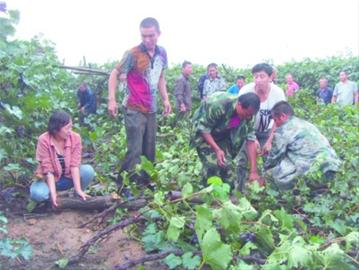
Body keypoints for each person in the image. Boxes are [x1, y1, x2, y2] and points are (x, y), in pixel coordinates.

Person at [108, 17, 171, 188]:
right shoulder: (132, 53)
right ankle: (124, 184)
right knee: (135, 149)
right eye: (143, 36)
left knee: (149, 148)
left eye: (151, 36)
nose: (147, 40)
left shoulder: (162, 53)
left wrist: (165, 99)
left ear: (159, 33)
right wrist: (112, 100)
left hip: (151, 108)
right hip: (134, 107)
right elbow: (114, 74)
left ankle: (145, 181)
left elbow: (161, 77)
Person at [190, 92, 261, 189]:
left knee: (227, 167)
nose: (248, 117)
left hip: (223, 134)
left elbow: (250, 140)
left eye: (250, 115)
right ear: (239, 105)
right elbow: (204, 128)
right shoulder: (218, 105)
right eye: (246, 114)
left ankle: (227, 196)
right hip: (204, 134)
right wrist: (217, 150)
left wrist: (253, 171)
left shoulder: (248, 115)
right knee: (212, 165)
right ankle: (206, 193)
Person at [264, 101, 341, 190]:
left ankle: (291, 196)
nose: (276, 124)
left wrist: (263, 172)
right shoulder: (306, 123)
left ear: (283, 116)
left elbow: (274, 158)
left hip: (313, 170)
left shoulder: (283, 130)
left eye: (275, 120)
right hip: (334, 166)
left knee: (270, 174)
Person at [30, 111, 95, 207]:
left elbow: (74, 166)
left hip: (67, 178)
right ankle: (52, 198)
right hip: (48, 180)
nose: (70, 131)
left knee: (88, 171)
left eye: (71, 127)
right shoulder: (43, 140)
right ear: (56, 129)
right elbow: (48, 171)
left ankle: (76, 195)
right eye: (67, 128)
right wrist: (53, 194)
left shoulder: (75, 138)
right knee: (37, 194)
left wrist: (78, 190)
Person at [238, 63, 286, 189]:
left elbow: (279, 119)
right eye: (255, 76)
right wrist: (253, 138)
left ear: (270, 78)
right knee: (242, 159)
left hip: (268, 130)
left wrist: (270, 141)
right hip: (247, 128)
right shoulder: (245, 91)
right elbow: (240, 116)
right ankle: (240, 187)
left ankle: (268, 189)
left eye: (262, 76)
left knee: (270, 158)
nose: (258, 80)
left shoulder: (278, 93)